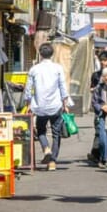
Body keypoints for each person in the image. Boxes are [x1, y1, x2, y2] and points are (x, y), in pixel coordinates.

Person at [23, 42, 74, 171]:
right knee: (57, 133)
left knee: (41, 130)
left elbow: (28, 89)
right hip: (56, 105)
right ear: (52, 54)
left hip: (39, 106)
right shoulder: (57, 68)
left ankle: (46, 148)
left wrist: (28, 103)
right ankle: (52, 162)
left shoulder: (34, 69)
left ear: (40, 54)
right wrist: (65, 103)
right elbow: (63, 86)